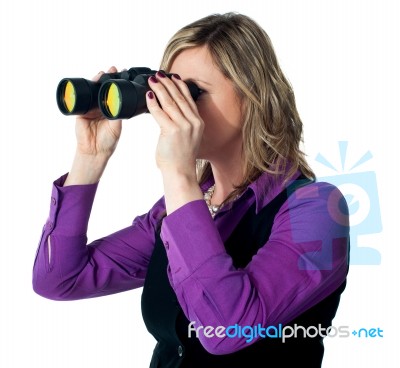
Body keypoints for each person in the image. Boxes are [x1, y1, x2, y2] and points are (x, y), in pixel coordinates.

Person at [32, 12, 350, 368]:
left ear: (253, 98)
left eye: (192, 92)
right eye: (169, 90)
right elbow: (60, 278)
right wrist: (89, 158)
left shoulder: (317, 208)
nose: (174, 107)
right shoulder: (178, 207)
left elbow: (228, 328)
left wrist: (179, 174)